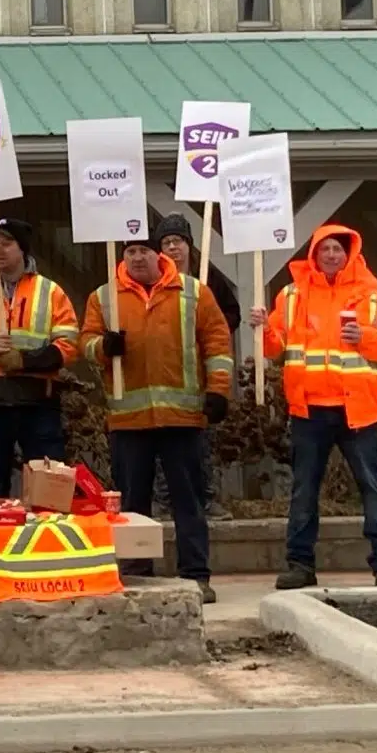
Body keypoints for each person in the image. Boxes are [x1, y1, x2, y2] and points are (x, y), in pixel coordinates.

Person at [248, 222, 377, 590]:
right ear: (315, 254)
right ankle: (300, 565)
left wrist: (367, 338)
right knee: (304, 490)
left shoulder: (374, 293)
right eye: (325, 249)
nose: (332, 255)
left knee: (373, 489)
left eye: (338, 248)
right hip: (309, 410)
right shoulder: (290, 295)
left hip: (360, 409)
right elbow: (273, 349)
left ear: (349, 252)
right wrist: (262, 329)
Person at [83, 233, 233, 602]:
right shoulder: (104, 297)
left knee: (189, 501)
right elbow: (83, 343)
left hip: (183, 418)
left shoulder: (194, 292)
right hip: (129, 420)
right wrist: (103, 347)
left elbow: (216, 342)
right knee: (133, 503)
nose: (136, 258)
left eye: (143, 251)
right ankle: (137, 572)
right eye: (130, 251)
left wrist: (218, 390)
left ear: (158, 255)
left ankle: (196, 575)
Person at [0, 216, 79, 498]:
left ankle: (48, 542)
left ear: (23, 249)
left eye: (6, 243)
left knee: (48, 495)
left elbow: (69, 345)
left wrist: (25, 360)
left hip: (38, 405)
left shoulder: (50, 292)